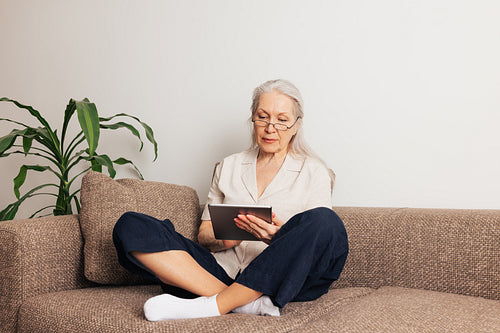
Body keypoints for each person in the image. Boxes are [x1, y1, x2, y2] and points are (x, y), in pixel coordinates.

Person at [113, 79, 348, 321]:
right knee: (130, 225)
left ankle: (215, 304)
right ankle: (239, 302)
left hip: (280, 280)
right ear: (252, 120)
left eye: (282, 119)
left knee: (327, 222)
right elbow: (203, 236)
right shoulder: (229, 166)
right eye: (262, 116)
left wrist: (277, 238)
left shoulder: (314, 171)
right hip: (219, 273)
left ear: (296, 126)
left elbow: (318, 242)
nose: (270, 127)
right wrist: (226, 238)